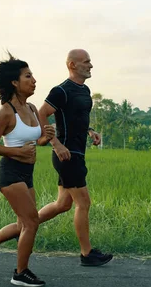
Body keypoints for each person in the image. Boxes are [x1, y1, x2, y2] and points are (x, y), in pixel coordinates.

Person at [0, 53, 55, 287]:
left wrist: (46, 138)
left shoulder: (32, 107)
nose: (34, 80)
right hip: (10, 173)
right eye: (28, 76)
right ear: (15, 83)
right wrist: (18, 153)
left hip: (27, 173)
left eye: (33, 75)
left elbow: (35, 142)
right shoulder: (7, 112)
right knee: (31, 223)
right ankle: (20, 272)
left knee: (24, 224)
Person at [37, 49, 113, 266]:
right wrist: (56, 143)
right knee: (84, 203)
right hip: (66, 155)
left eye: (90, 62)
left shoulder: (84, 90)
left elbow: (75, 116)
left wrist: (90, 130)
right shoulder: (61, 90)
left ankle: (25, 225)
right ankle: (87, 254)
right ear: (72, 65)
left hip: (77, 152)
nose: (90, 66)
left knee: (62, 204)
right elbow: (42, 114)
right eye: (86, 62)